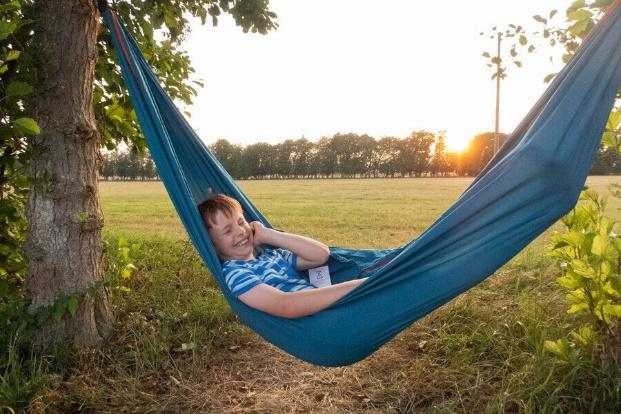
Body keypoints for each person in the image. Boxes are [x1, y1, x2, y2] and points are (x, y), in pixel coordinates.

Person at [197, 194, 367, 319]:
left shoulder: (273, 256)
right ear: (211, 245)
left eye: (241, 222)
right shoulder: (236, 273)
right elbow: (286, 305)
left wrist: (267, 235)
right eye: (227, 230)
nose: (241, 231)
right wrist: (356, 286)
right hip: (321, 321)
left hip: (336, 308)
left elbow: (321, 255)